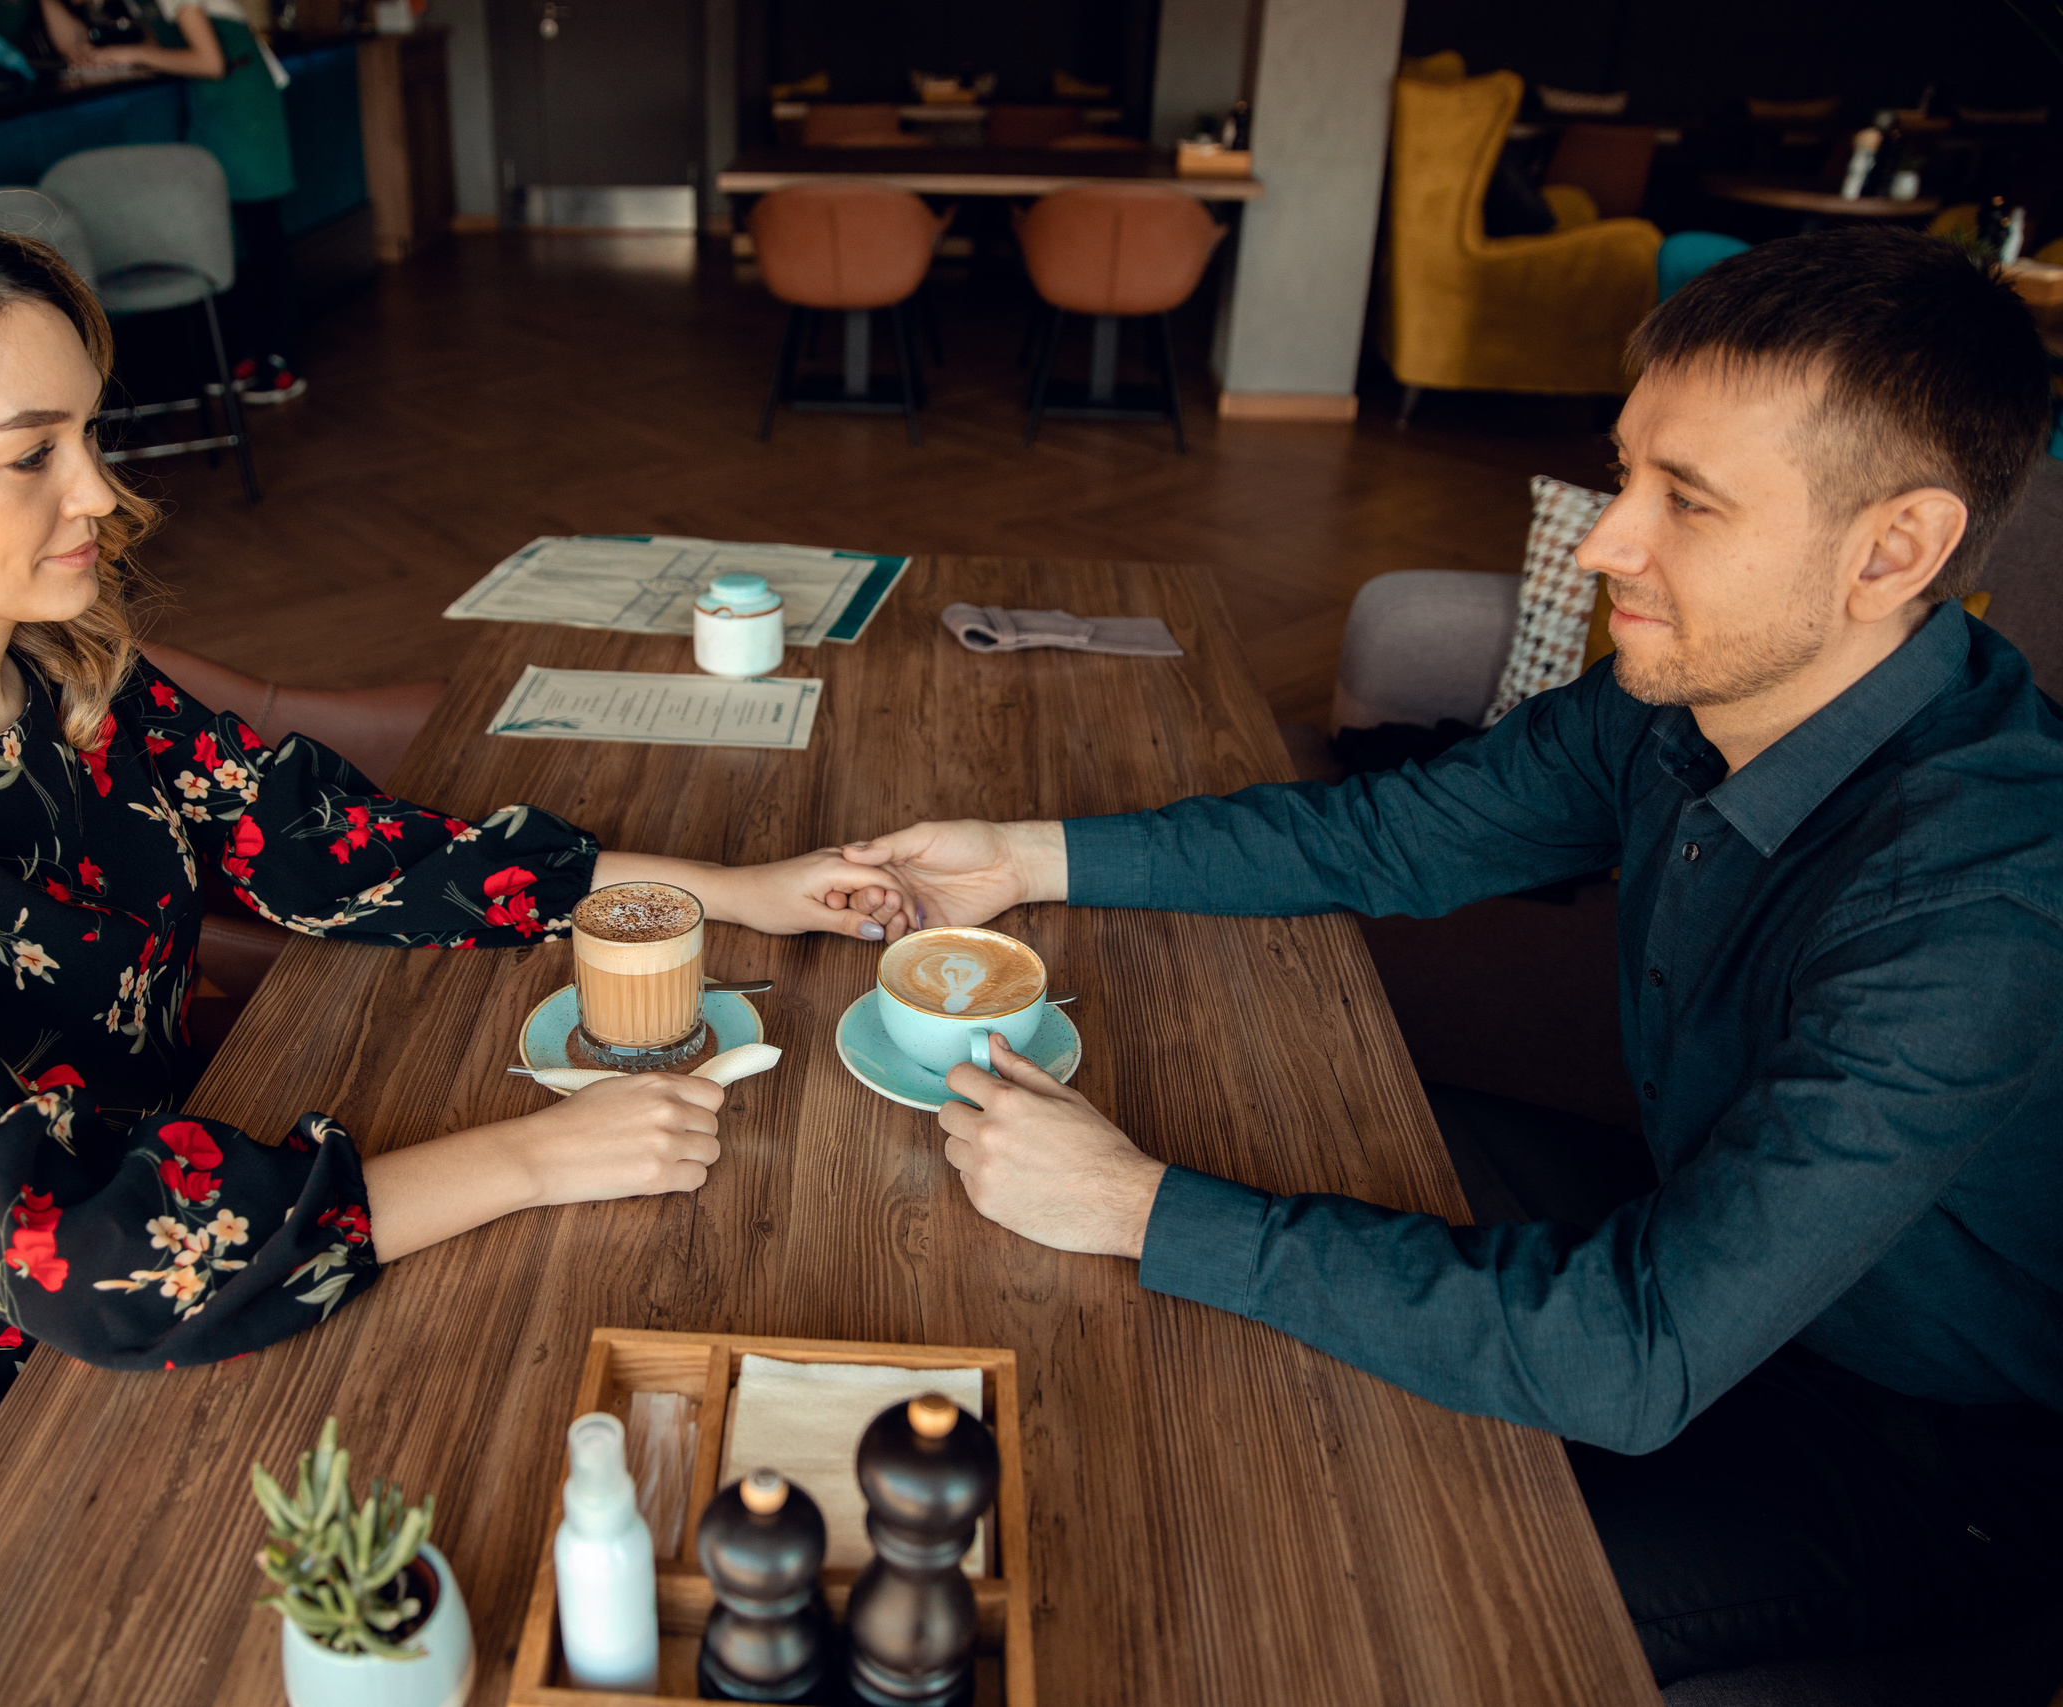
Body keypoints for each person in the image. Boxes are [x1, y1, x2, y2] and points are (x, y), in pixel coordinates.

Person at [837, 227, 2063, 1685]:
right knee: (1269, 1129)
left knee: (1266, 1580)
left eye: (1688, 500)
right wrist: (1029, 853)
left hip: (1910, 1453)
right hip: (1703, 1221)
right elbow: (1397, 834)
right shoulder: (1693, 696)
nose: (1611, 541)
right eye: (1628, 474)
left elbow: (1638, 1346)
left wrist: (1142, 1204)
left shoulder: (1984, 900)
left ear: (1897, 549)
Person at [0, 190, 910, 1544]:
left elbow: (335, 849)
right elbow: (64, 1250)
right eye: (29, 453)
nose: (97, 493)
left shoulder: (62, 665)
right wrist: (530, 1154)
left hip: (214, 1184)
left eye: (89, 433)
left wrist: (736, 887)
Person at [41, 0, 307, 402]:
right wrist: (119, 59)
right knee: (221, 238)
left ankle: (283, 359)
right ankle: (240, 354)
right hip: (210, 111)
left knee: (261, 232)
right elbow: (165, 50)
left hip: (242, 110)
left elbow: (210, 61)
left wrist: (125, 53)